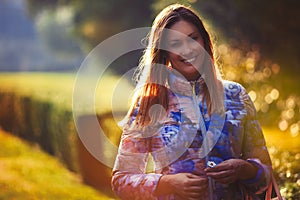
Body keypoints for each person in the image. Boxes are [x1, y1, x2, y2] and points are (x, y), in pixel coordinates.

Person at [111, 4, 272, 200]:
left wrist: (245, 169)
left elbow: (266, 174)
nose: (187, 49)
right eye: (176, 44)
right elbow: (121, 181)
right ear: (164, 52)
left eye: (192, 38)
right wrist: (167, 183)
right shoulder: (150, 103)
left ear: (204, 40)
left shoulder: (236, 95)